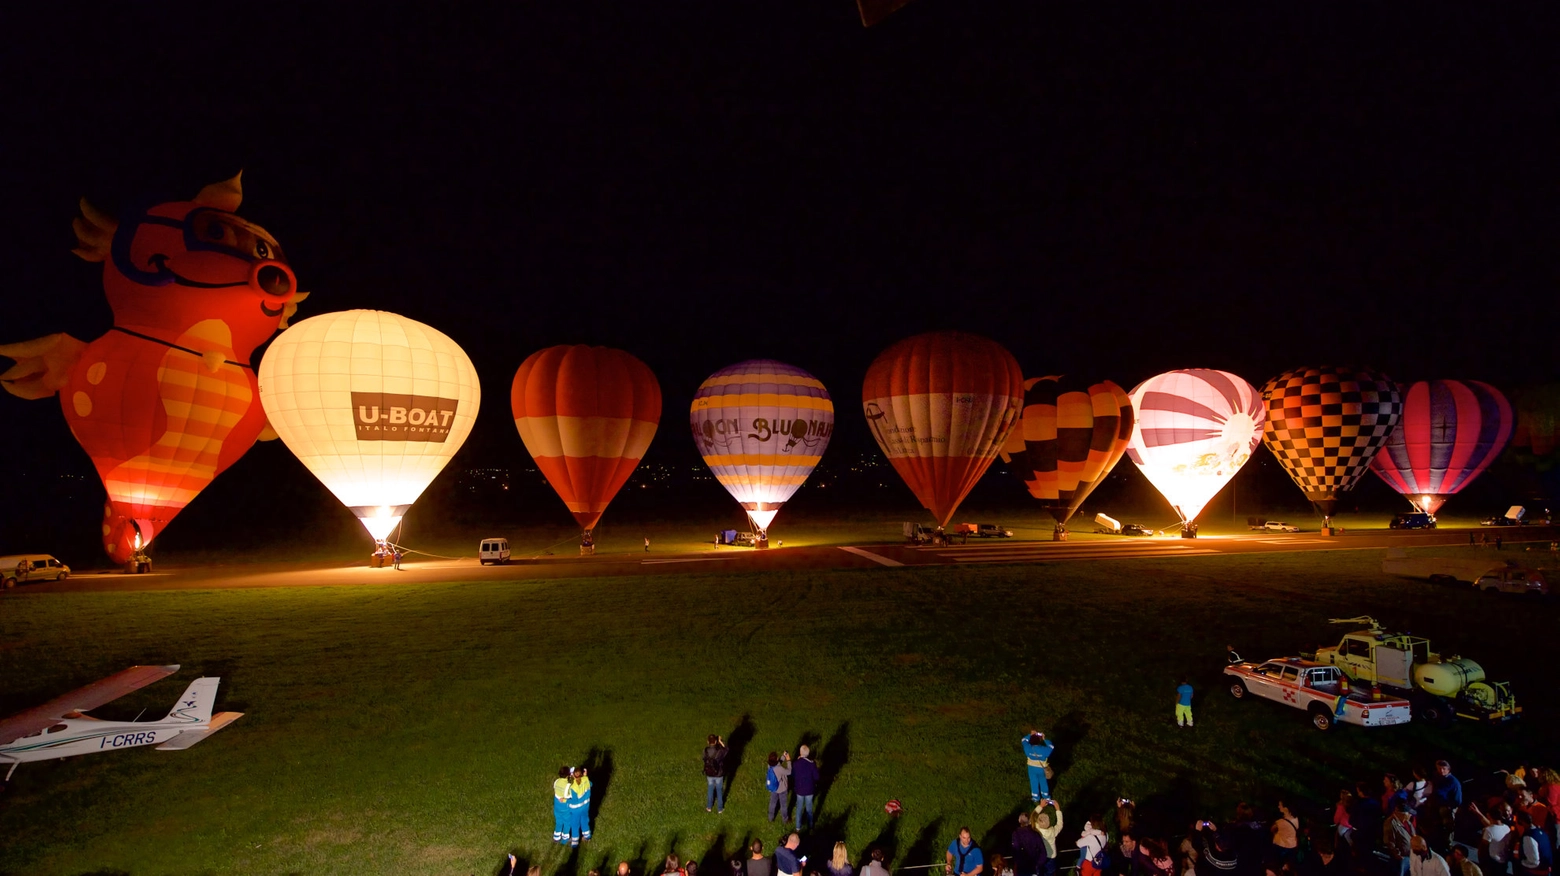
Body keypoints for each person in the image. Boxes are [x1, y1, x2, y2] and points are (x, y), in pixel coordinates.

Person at [1469, 800, 1514, 876]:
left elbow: (1483, 849)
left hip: (1492, 863)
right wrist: (1478, 813)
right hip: (1503, 861)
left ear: (1489, 816)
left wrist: (1482, 864)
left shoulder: (1489, 830)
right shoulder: (1506, 828)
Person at [1515, 810, 1553, 876]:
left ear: (1521, 821)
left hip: (1536, 871)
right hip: (1546, 868)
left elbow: (1534, 862)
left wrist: (1521, 862)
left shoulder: (1529, 836)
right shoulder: (1541, 831)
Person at [1022, 731, 1055, 802]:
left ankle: (1035, 797)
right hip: (1042, 768)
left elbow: (1023, 740)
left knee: (1033, 781)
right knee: (1043, 781)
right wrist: (1044, 739)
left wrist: (1030, 734)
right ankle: (1046, 797)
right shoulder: (1044, 749)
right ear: (1039, 741)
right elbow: (1051, 747)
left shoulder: (1027, 748)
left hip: (1031, 768)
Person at [793, 745, 820, 830]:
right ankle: (810, 826)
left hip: (799, 789)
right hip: (809, 790)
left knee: (799, 809)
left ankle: (798, 827)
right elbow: (817, 777)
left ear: (800, 753)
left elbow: (793, 775)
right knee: (809, 809)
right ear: (808, 754)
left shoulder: (796, 763)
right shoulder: (811, 764)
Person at [1385, 808, 1416, 876]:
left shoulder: (1408, 822)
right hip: (1401, 858)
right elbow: (1389, 841)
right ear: (1402, 814)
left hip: (1410, 856)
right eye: (1409, 813)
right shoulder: (1390, 823)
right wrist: (1397, 853)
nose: (1410, 815)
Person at [1036, 803, 1064, 876]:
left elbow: (1032, 817)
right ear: (1048, 822)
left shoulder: (1036, 829)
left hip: (1040, 855)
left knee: (1039, 872)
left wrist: (1040, 806)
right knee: (1050, 872)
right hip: (1051, 856)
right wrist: (1058, 810)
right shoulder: (1052, 831)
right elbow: (1060, 824)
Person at [568, 766, 593, 846]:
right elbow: (591, 784)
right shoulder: (586, 779)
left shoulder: (573, 787)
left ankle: (575, 842)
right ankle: (587, 836)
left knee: (575, 825)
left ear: (573, 775)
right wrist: (585, 776)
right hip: (585, 806)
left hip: (576, 810)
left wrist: (566, 801)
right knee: (584, 821)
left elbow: (574, 800)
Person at [704, 734, 729, 813]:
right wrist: (721, 742)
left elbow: (703, 758)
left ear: (708, 742)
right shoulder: (720, 751)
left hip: (709, 773)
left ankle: (709, 807)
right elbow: (726, 750)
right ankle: (720, 808)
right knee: (719, 790)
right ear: (716, 741)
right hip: (719, 774)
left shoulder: (705, 750)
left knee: (710, 789)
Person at [1271, 801, 1300, 866]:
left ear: (1286, 809)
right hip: (1292, 846)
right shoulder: (1295, 818)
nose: (1278, 807)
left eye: (1280, 805)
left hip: (1281, 847)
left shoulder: (1280, 822)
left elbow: (1272, 829)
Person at [767, 751, 793, 822]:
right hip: (782, 789)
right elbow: (789, 772)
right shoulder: (780, 769)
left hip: (774, 789)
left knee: (772, 803)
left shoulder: (769, 766)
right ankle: (785, 819)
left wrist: (783, 757)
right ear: (776, 759)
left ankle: (770, 818)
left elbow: (777, 763)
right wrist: (788, 761)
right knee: (783, 805)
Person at [553, 765, 573, 844]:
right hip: (565, 806)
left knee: (559, 821)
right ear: (568, 775)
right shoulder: (568, 785)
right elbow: (571, 796)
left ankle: (556, 836)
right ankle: (565, 837)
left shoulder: (556, 781)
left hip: (557, 805)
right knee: (567, 822)